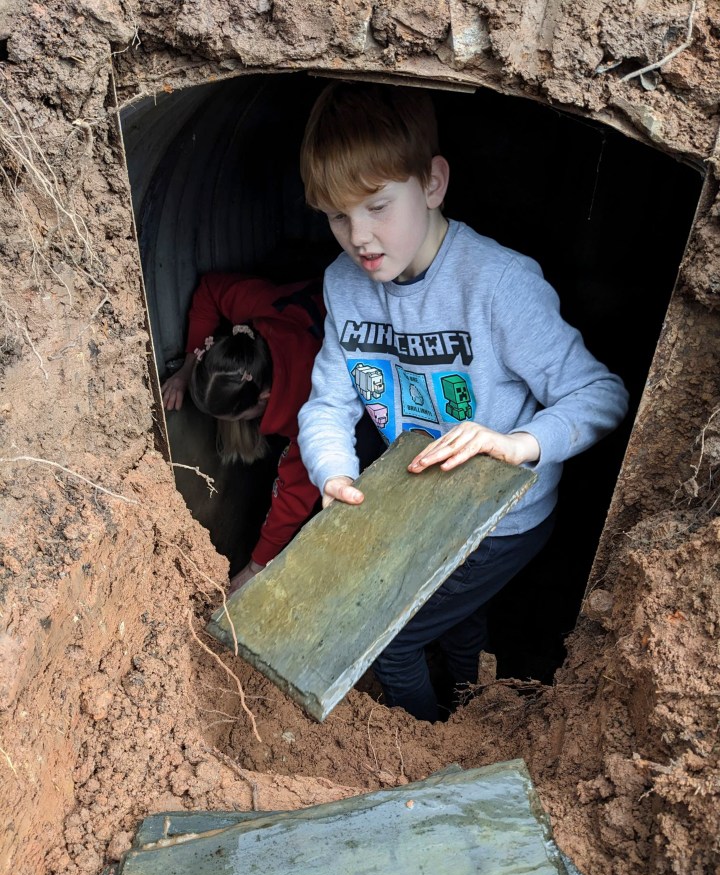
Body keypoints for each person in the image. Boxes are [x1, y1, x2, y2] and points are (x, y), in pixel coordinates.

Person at [297, 81, 629, 722]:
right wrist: (332, 474)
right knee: (457, 619)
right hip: (423, 507)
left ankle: (432, 746)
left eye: (377, 206)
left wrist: (514, 444)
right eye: (338, 216)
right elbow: (327, 404)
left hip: (503, 519)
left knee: (390, 644)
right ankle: (472, 694)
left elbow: (599, 393)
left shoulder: (498, 283)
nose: (359, 237)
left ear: (433, 183)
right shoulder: (345, 284)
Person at [161, 273, 325, 592]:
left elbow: (294, 495)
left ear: (263, 399)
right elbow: (209, 290)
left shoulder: (311, 411)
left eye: (235, 417)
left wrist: (256, 566)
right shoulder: (253, 314)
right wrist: (186, 369)